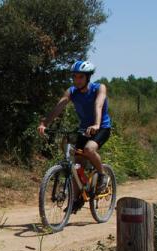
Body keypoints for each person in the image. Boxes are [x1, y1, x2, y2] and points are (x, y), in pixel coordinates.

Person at [37, 60, 112, 211]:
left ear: (88, 77)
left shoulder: (99, 88)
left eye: (81, 77)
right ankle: (77, 199)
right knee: (77, 166)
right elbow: (59, 107)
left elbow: (98, 105)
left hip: (102, 127)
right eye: (75, 77)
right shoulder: (72, 91)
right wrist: (45, 123)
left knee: (89, 149)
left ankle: (102, 175)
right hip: (84, 129)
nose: (77, 80)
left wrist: (96, 124)